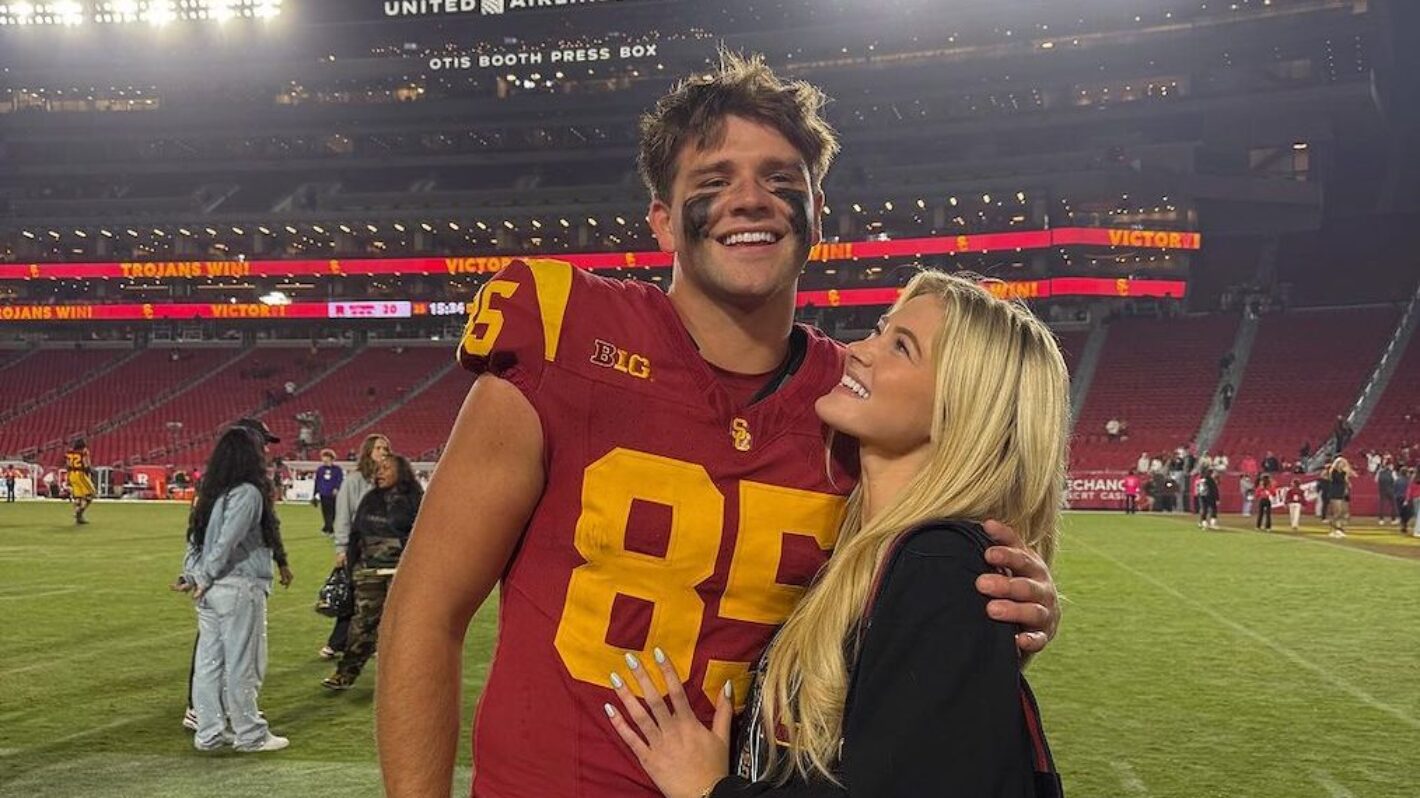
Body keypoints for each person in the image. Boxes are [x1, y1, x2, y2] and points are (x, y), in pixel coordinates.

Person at [375, 52, 1061, 798]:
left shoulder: (851, 406)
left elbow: (912, 585)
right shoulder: (566, 337)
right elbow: (425, 614)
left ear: (816, 214)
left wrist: (996, 619)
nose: (750, 200)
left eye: (779, 179)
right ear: (663, 222)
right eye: (715, 181)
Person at [602, 271, 1066, 797]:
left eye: (901, 347)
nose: (858, 350)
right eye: (879, 329)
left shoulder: (940, 565)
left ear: (961, 407)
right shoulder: (874, 551)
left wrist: (709, 789)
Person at [178, 417, 293, 733]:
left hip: (217, 580)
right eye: (263, 442)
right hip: (235, 580)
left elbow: (196, 533)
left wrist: (192, 573)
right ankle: (236, 721)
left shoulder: (214, 485)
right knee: (241, 655)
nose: (267, 449)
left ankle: (210, 717)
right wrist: (200, 575)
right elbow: (222, 537)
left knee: (213, 653)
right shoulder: (249, 489)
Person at [322, 453, 424, 690]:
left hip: (401, 575)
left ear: (401, 471)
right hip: (368, 572)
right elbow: (357, 533)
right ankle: (345, 674)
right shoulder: (370, 498)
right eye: (378, 468)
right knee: (362, 624)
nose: (380, 472)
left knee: (403, 627)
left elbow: (424, 537)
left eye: (386, 468)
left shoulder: (416, 500)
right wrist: (350, 565)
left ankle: (404, 679)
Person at [320, 433, 390, 660]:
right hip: (358, 547)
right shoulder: (354, 480)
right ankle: (335, 643)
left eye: (386, 449)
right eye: (379, 448)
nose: (383, 452)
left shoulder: (388, 481)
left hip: (383, 548)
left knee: (380, 598)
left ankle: (370, 643)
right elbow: (342, 515)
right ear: (368, 451)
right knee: (352, 595)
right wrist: (341, 547)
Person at [312, 448, 344, 536]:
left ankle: (328, 528)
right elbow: (317, 481)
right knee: (325, 512)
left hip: (333, 494)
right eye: (323, 457)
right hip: (323, 493)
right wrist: (315, 493)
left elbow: (340, 480)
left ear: (331, 458)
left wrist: (337, 488)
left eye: (325, 456)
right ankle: (328, 528)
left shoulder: (337, 469)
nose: (324, 459)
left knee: (333, 512)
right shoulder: (320, 469)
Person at [65, 438, 95, 525]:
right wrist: (90, 473)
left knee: (78, 496)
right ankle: (79, 512)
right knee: (91, 494)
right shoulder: (84, 451)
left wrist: (68, 479)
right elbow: (86, 465)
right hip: (80, 474)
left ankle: (79, 517)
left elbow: (67, 465)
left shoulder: (69, 452)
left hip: (71, 474)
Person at [1325, 456, 1353, 538]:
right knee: (1336, 512)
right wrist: (1345, 474)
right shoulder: (1334, 472)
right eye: (1341, 463)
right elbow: (1339, 480)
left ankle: (1339, 528)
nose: (1343, 465)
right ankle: (1334, 530)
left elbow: (1346, 483)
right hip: (1335, 493)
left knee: (1342, 512)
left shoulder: (1343, 473)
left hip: (1341, 494)